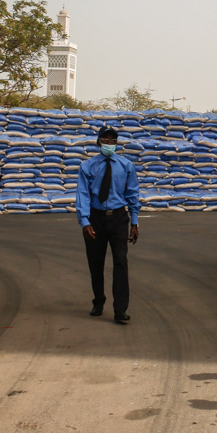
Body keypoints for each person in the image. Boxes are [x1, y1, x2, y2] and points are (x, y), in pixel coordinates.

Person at [75, 126, 140, 324]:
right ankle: (98, 301)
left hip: (119, 218)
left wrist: (134, 222)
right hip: (96, 219)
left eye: (113, 141)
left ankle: (120, 309)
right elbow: (83, 195)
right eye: (105, 141)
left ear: (117, 144)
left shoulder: (126, 165)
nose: (109, 144)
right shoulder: (87, 166)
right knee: (96, 262)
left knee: (121, 262)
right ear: (98, 143)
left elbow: (132, 194)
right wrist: (85, 221)